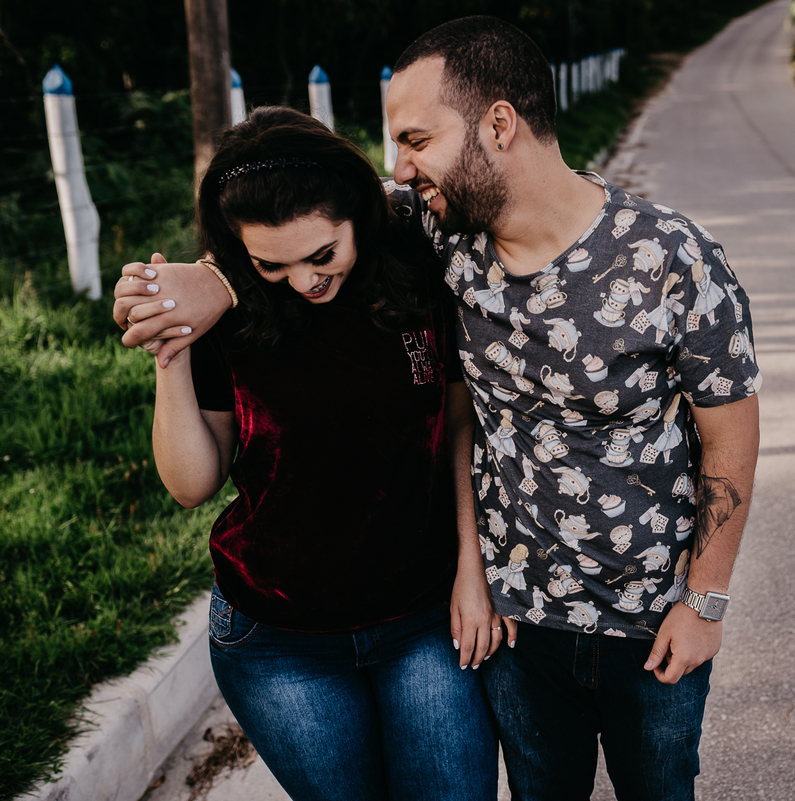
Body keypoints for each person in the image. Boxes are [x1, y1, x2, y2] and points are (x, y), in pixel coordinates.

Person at [116, 16, 761, 801]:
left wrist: (705, 601)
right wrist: (210, 283)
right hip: (517, 622)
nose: (401, 165)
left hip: (648, 616)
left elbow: (729, 436)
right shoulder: (439, 232)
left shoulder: (673, 260)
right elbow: (306, 215)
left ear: (498, 123)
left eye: (416, 139)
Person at [120, 106, 498, 801]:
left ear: (357, 214)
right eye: (270, 263)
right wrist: (169, 350)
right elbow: (191, 483)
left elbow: (458, 427)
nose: (304, 281)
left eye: (322, 254)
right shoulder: (223, 313)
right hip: (278, 640)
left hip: (422, 615)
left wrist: (471, 571)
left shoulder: (417, 268)